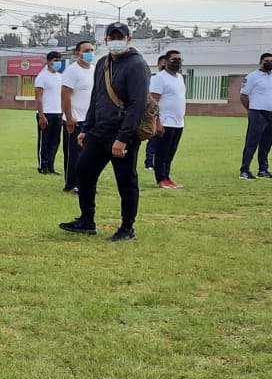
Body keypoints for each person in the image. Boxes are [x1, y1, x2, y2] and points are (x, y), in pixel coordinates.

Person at [60, 22, 149, 242]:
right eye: (112, 37)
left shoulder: (137, 65)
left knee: (126, 181)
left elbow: (137, 105)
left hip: (122, 133)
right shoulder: (103, 63)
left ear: (129, 39)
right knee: (83, 172)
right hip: (99, 131)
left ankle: (127, 228)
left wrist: (122, 138)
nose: (116, 40)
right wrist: (87, 128)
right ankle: (86, 220)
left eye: (121, 36)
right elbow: (96, 98)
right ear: (106, 40)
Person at [60, 40, 97, 194]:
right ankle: (72, 183)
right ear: (77, 53)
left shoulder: (95, 70)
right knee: (74, 154)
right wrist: (69, 117)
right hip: (75, 119)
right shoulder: (72, 71)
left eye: (92, 50)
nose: (89, 53)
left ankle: (87, 184)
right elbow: (65, 96)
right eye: (86, 50)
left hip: (91, 120)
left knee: (91, 155)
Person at [239, 52, 272, 180]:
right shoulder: (252, 77)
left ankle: (263, 170)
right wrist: (252, 109)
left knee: (267, 143)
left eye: (271, 61)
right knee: (252, 142)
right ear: (260, 63)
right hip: (258, 113)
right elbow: (243, 95)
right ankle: (245, 170)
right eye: (266, 61)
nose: (269, 63)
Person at [149, 50, 187, 189]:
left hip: (178, 122)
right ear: (165, 61)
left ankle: (167, 176)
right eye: (174, 59)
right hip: (165, 121)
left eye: (179, 59)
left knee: (171, 152)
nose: (177, 62)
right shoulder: (159, 78)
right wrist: (157, 122)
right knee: (162, 152)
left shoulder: (179, 78)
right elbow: (153, 102)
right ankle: (161, 178)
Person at [33, 50, 64, 176]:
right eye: (55, 61)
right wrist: (41, 115)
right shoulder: (42, 76)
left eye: (59, 61)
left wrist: (62, 112)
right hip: (46, 113)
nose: (57, 63)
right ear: (49, 62)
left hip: (57, 113)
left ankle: (51, 165)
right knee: (44, 141)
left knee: (55, 141)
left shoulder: (60, 77)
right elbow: (38, 97)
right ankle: (43, 165)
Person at [143, 55, 169, 171]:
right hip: (154, 116)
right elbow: (152, 100)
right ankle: (149, 162)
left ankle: (161, 165)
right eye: (163, 64)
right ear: (159, 65)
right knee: (152, 141)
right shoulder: (155, 79)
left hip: (167, 118)